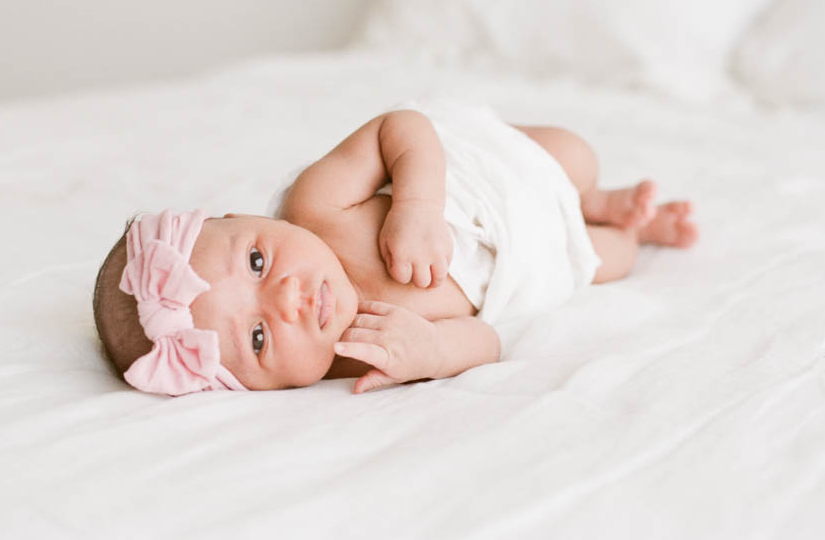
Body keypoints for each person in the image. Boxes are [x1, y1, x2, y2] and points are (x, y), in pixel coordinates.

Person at [92, 98, 697, 396]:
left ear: (246, 217)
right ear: (261, 388)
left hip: (484, 183)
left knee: (573, 153)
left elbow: (398, 128)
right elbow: (486, 339)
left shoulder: (316, 206)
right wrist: (430, 351)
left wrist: (416, 206)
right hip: (526, 258)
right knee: (610, 262)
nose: (289, 299)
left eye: (257, 261)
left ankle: (593, 195)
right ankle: (630, 226)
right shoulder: (356, 353)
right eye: (258, 337)